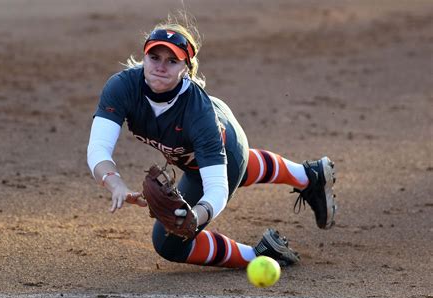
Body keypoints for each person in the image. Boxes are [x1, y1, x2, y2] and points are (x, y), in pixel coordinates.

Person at [87, 15, 337, 268]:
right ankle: (308, 175)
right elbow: (98, 148)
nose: (161, 66)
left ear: (186, 67)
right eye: (154, 57)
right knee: (216, 164)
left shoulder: (197, 113)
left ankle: (260, 256)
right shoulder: (122, 87)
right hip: (203, 141)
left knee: (169, 243)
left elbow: (216, 188)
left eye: (172, 61)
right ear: (144, 57)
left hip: (224, 144)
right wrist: (115, 183)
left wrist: (197, 215)